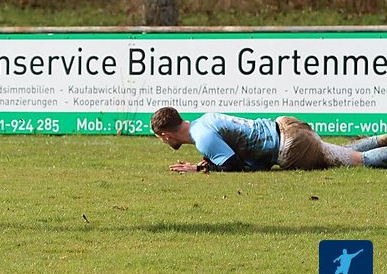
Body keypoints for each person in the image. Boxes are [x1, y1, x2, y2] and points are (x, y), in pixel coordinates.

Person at [150, 106, 387, 172]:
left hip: (289, 147)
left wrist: (200, 169)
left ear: (166, 135)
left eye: (161, 138)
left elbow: (234, 166)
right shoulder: (204, 120)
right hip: (285, 126)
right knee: (340, 153)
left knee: (357, 160)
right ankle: (381, 139)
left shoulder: (202, 138)